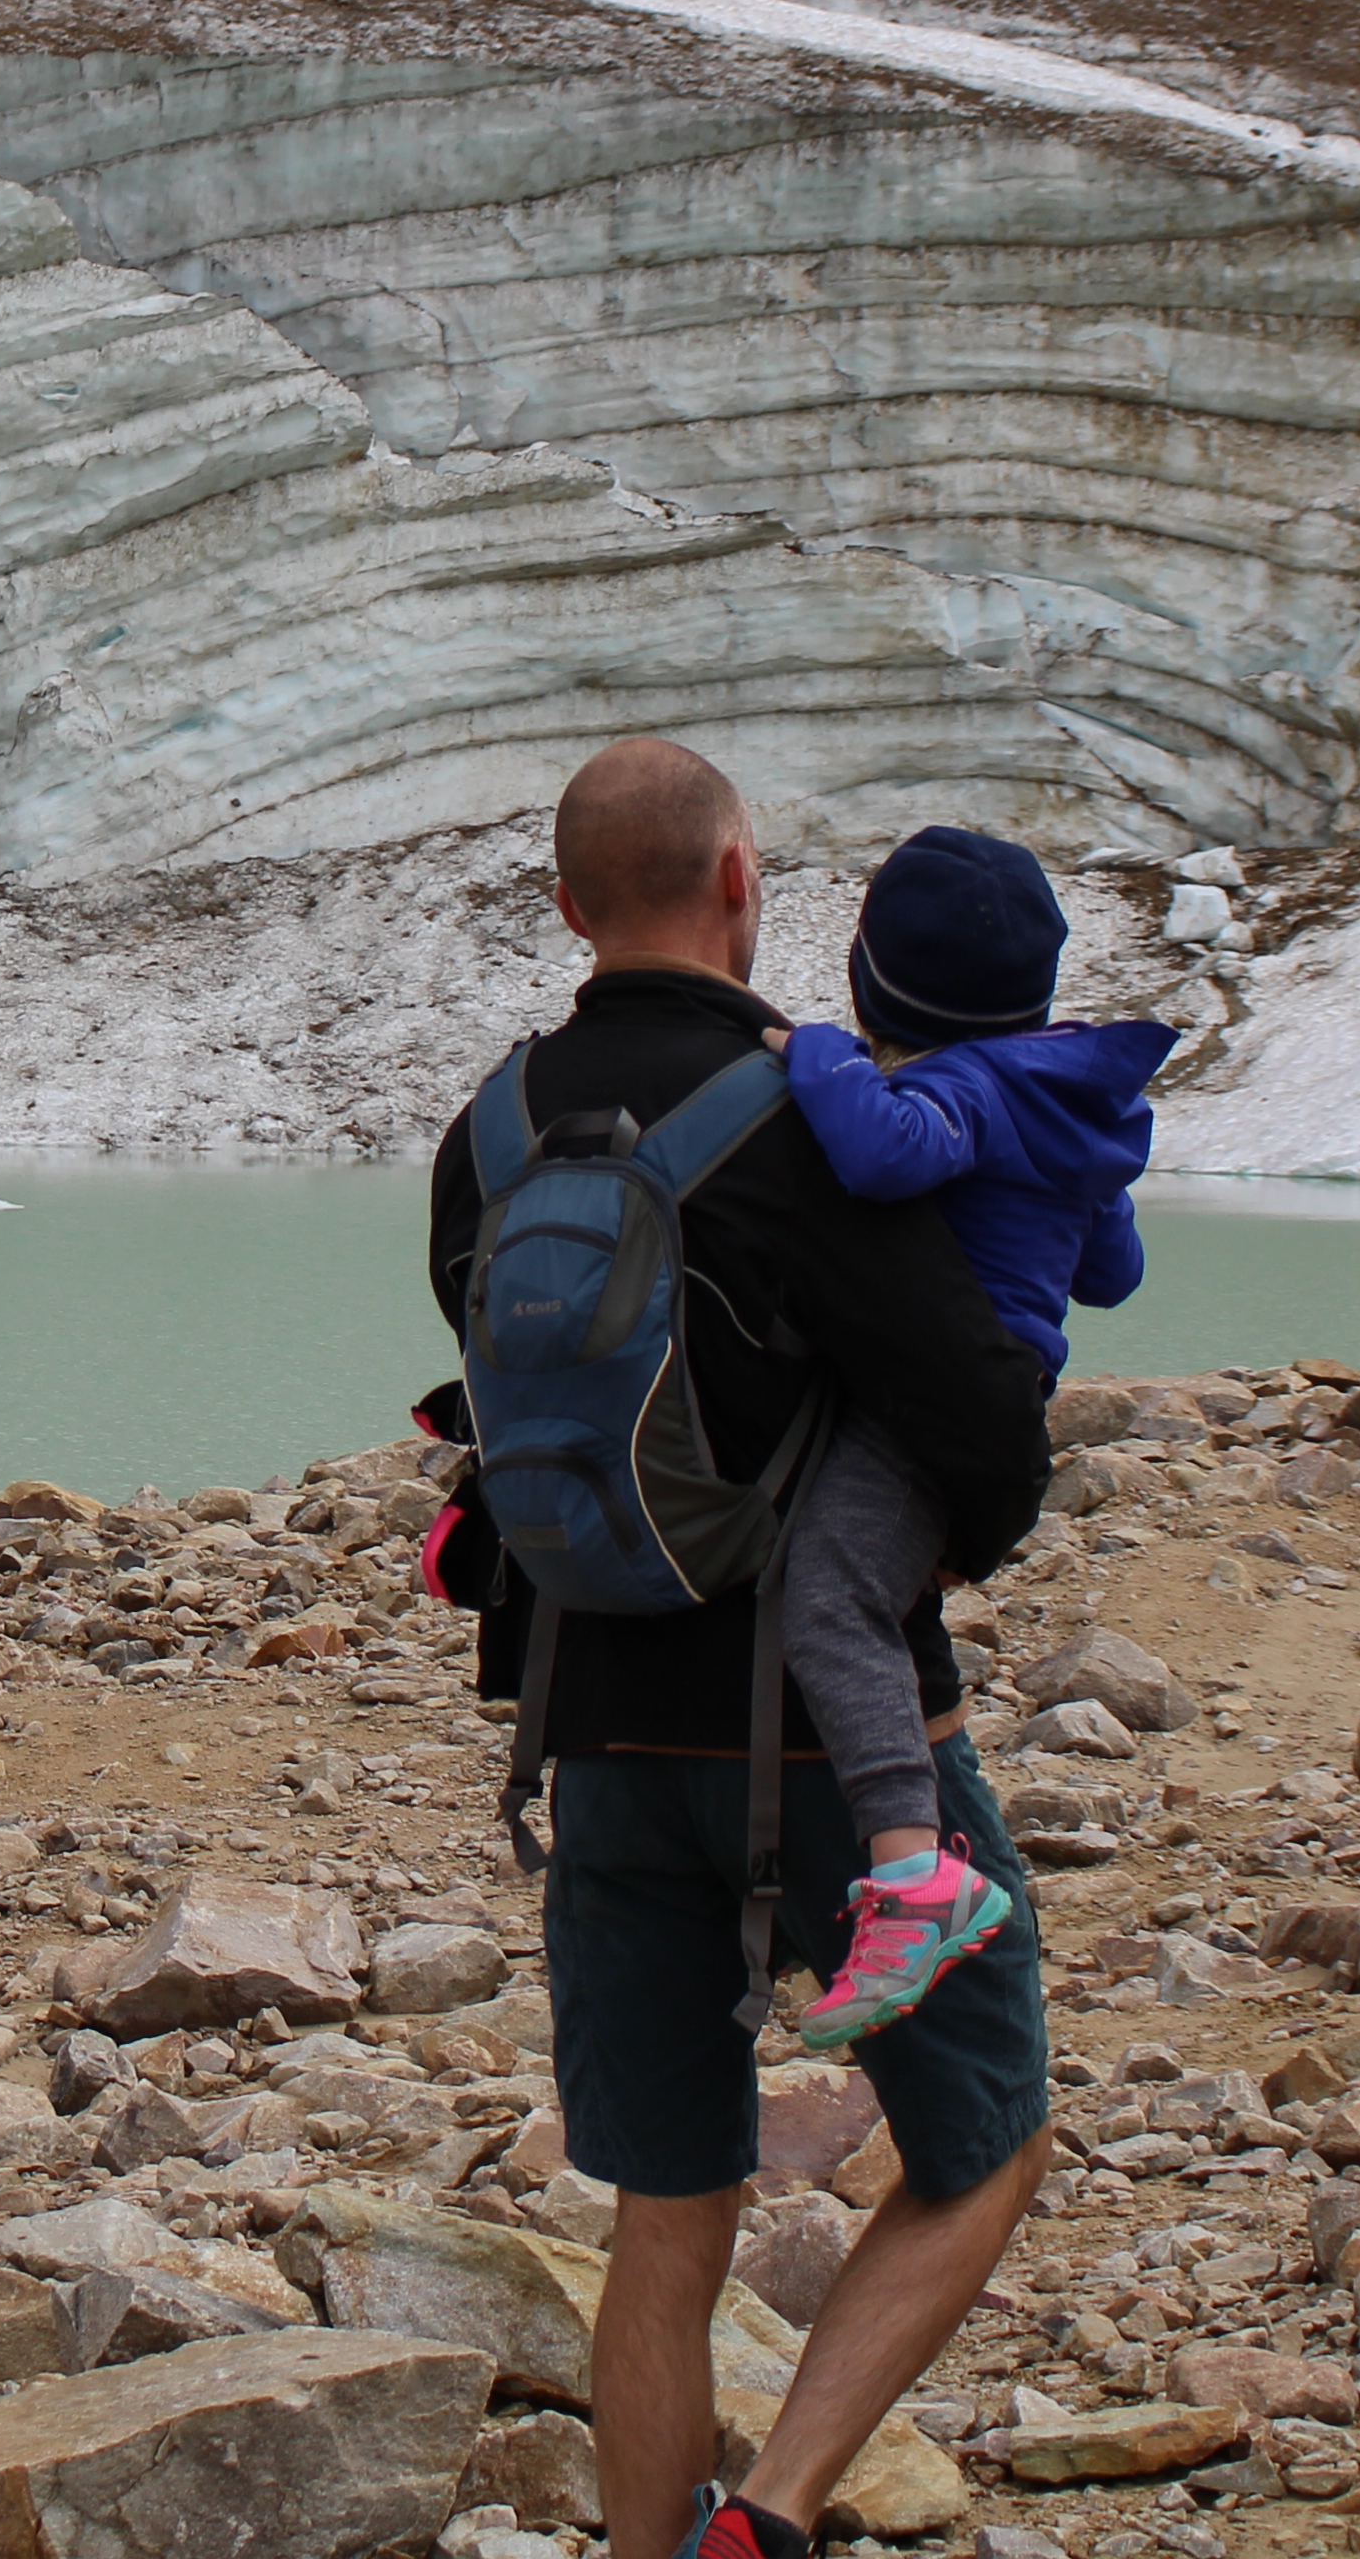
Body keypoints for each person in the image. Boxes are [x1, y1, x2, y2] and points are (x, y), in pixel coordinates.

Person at [426, 739, 1060, 2559]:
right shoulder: (803, 1124)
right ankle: (765, 2511)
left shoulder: (484, 1135)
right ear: (735, 886)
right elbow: (976, 1423)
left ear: (563, 906)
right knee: (984, 2136)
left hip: (595, 1741)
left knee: (663, 2205)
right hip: (829, 1743)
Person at [743, 823, 1177, 2056]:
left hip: (933, 1400)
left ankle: (908, 1867)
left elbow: (887, 1157)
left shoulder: (967, 1089)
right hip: (1002, 1388)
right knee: (854, 1578)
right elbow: (1114, 1273)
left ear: (881, 986)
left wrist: (818, 1055)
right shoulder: (1061, 1098)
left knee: (828, 1595)